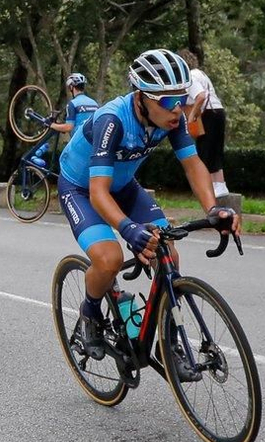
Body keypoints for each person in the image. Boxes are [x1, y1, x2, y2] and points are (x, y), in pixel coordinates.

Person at [58, 48, 239, 358]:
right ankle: (90, 313)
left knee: (168, 255)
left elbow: (193, 163)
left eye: (182, 99)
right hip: (81, 189)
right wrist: (128, 230)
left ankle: (168, 341)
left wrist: (213, 208)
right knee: (109, 258)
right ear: (141, 96)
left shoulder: (172, 120)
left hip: (124, 186)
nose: (178, 109)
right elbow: (98, 192)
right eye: (168, 101)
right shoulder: (112, 120)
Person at [182, 47, 230, 198]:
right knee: (214, 149)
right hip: (217, 111)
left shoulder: (190, 76)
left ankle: (210, 186)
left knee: (205, 150)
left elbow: (201, 96)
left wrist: (192, 115)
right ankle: (219, 184)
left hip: (208, 113)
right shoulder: (199, 73)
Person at [52, 72, 97, 140]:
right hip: (94, 141)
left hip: (79, 141)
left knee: (65, 151)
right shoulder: (94, 103)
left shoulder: (72, 104)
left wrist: (52, 125)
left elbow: (69, 127)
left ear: (71, 87)